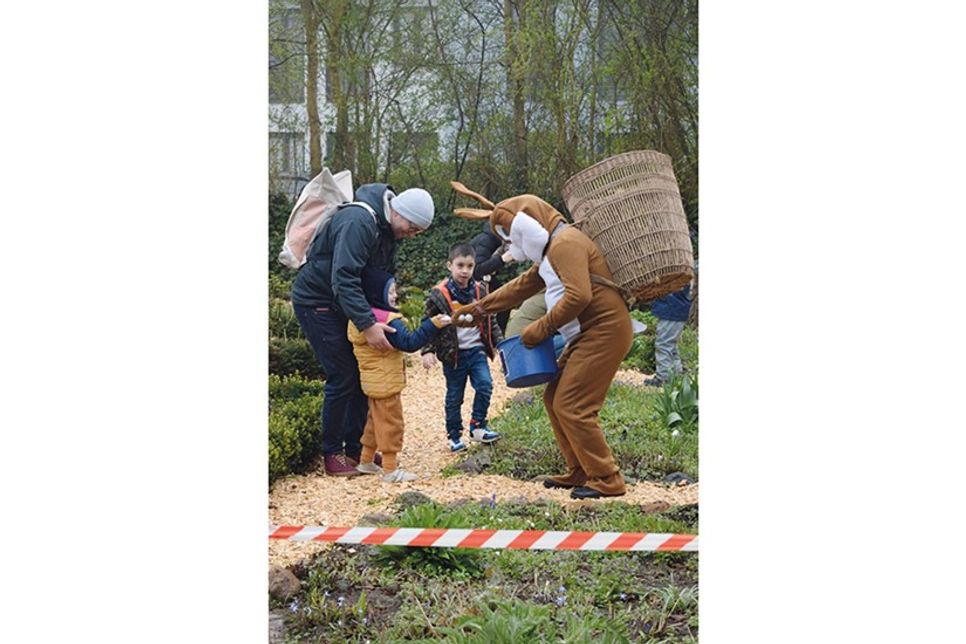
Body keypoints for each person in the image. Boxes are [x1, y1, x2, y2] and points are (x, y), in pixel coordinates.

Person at [448, 184, 631, 499]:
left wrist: (541, 328)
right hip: (587, 333)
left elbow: (579, 295)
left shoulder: (566, 244)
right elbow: (520, 286)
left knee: (573, 404)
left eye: (511, 235)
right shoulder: (551, 250)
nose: (512, 245)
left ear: (527, 226)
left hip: (605, 331)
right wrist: (478, 308)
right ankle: (579, 470)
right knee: (554, 398)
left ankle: (606, 478)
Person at [290, 184, 435, 477]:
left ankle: (356, 451)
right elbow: (344, 278)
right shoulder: (359, 221)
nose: (412, 234)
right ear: (399, 212)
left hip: (341, 304)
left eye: (418, 231)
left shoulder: (386, 231)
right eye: (412, 227)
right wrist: (368, 325)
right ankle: (333, 454)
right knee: (342, 373)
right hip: (317, 301)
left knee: (360, 375)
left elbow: (376, 279)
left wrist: (385, 316)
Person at [348, 268, 452, 482]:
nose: (395, 295)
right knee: (391, 424)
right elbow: (410, 343)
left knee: (374, 422)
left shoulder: (361, 318)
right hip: (386, 382)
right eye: (391, 291)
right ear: (377, 293)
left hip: (373, 381)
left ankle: (366, 461)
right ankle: (390, 469)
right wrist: (433, 324)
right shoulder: (387, 320)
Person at [421, 242, 504, 452]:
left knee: (485, 385)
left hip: (476, 350)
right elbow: (428, 324)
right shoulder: (438, 295)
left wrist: (500, 343)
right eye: (460, 265)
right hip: (453, 355)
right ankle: (454, 435)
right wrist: (427, 350)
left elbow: (491, 319)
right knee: (454, 396)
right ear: (450, 265)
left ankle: (478, 425)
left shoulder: (481, 290)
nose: (465, 271)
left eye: (469, 266)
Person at [644, 283, 692, 387]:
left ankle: (663, 378)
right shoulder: (682, 274)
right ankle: (676, 375)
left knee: (663, 344)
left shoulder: (673, 277)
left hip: (671, 312)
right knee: (672, 345)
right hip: (677, 311)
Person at [469, 222, 515, 333]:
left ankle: (498, 338)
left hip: (486, 279)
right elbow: (477, 270)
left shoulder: (501, 241)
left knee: (507, 300)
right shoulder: (486, 240)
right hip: (470, 281)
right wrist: (502, 259)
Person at [505, 290, 567, 359]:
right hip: (526, 348)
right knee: (573, 339)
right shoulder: (554, 299)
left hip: (512, 346)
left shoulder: (538, 297)